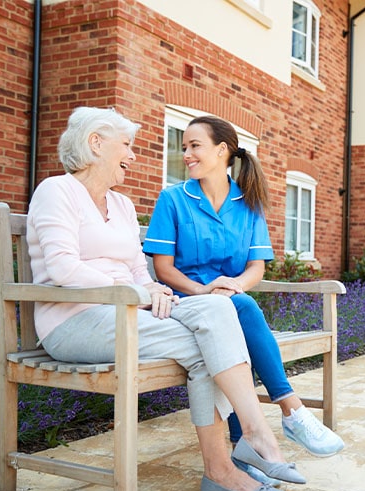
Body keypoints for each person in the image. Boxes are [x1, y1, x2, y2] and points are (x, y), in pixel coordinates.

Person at [26, 106, 303, 491]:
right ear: (95, 144)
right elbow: (63, 267)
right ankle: (236, 456)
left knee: (220, 309)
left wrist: (153, 290)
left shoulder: (120, 205)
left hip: (128, 312)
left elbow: (140, 268)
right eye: (127, 146)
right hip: (75, 321)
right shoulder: (57, 191)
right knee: (207, 347)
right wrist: (140, 293)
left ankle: (248, 443)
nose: (134, 156)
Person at [143, 116, 345, 466]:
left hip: (230, 302)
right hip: (183, 302)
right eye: (184, 147)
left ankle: (244, 448)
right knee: (242, 310)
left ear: (222, 151)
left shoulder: (248, 203)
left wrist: (232, 287)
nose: (186, 154)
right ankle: (291, 410)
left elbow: (256, 268)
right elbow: (163, 269)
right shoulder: (173, 199)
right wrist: (206, 290)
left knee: (237, 312)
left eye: (194, 146)